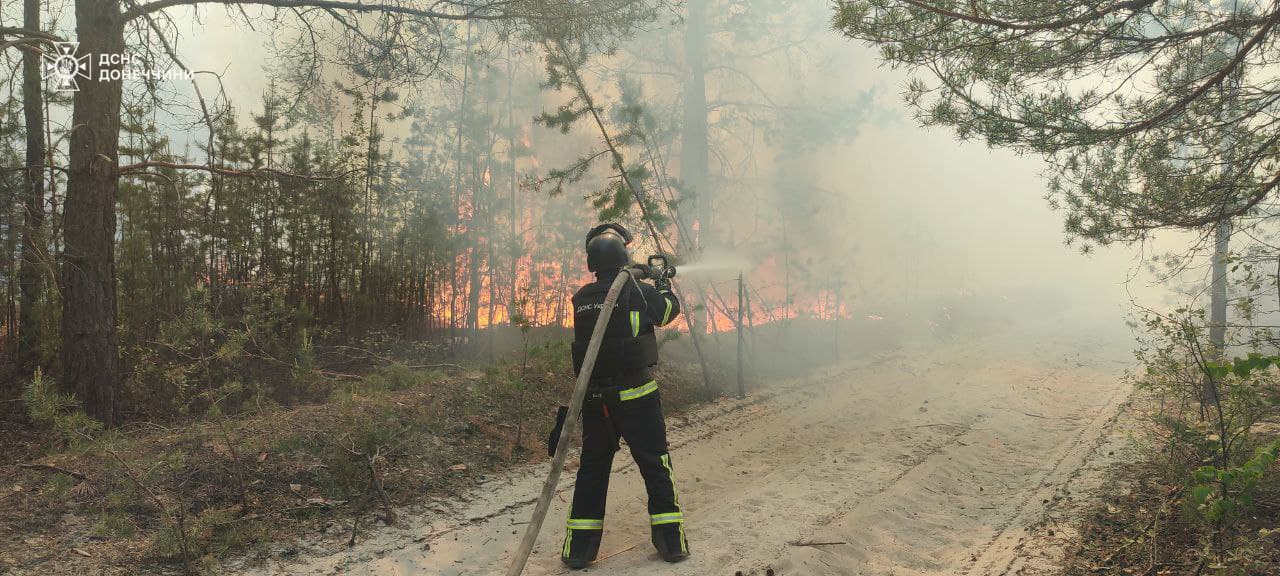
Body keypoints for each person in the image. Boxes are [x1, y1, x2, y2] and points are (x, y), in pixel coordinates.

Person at [546, 222, 688, 569]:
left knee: (592, 471)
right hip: (637, 396)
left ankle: (579, 551)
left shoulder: (581, 298)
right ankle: (670, 543)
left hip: (595, 401)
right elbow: (669, 312)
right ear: (623, 255)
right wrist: (664, 285)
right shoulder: (637, 290)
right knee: (656, 465)